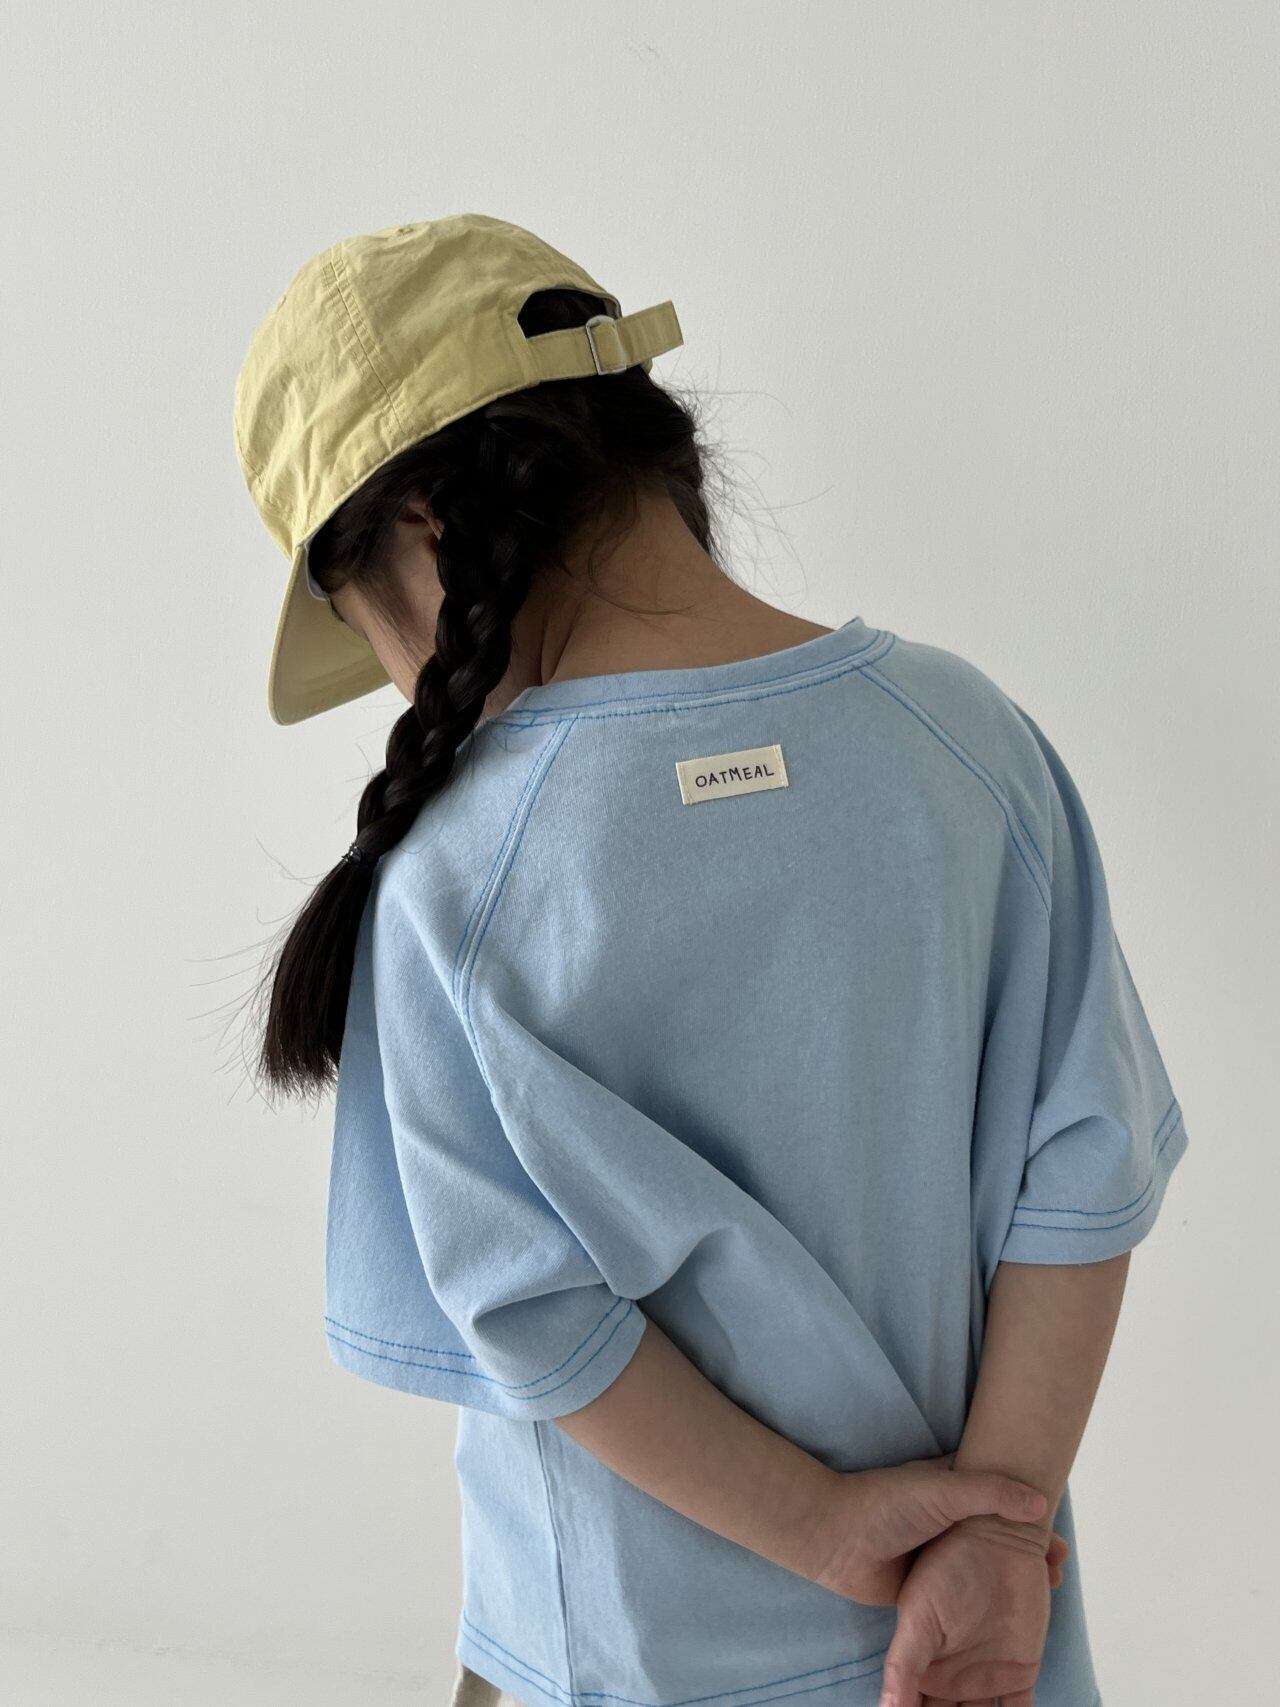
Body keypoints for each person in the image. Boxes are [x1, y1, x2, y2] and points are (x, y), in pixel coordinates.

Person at [234, 215, 1189, 1707]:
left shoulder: (456, 875)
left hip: (621, 1653)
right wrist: (993, 1534)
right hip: (974, 1647)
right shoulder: (971, 745)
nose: (409, 686)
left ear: (424, 531)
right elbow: (1084, 1170)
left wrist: (827, 1530)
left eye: (374, 637)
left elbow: (533, 1316)